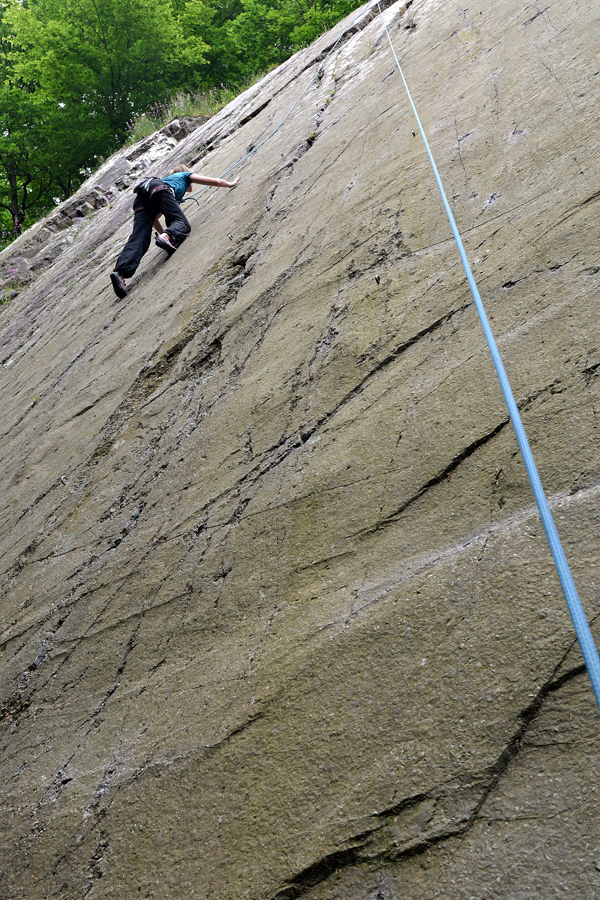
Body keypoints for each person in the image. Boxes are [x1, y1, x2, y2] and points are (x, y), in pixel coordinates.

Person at [110, 166, 240, 299]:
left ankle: (120, 274)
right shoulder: (185, 175)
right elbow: (216, 182)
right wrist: (231, 183)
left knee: (138, 238)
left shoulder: (166, 180)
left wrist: (164, 234)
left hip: (141, 200)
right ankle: (167, 237)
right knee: (182, 223)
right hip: (159, 189)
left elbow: (154, 219)